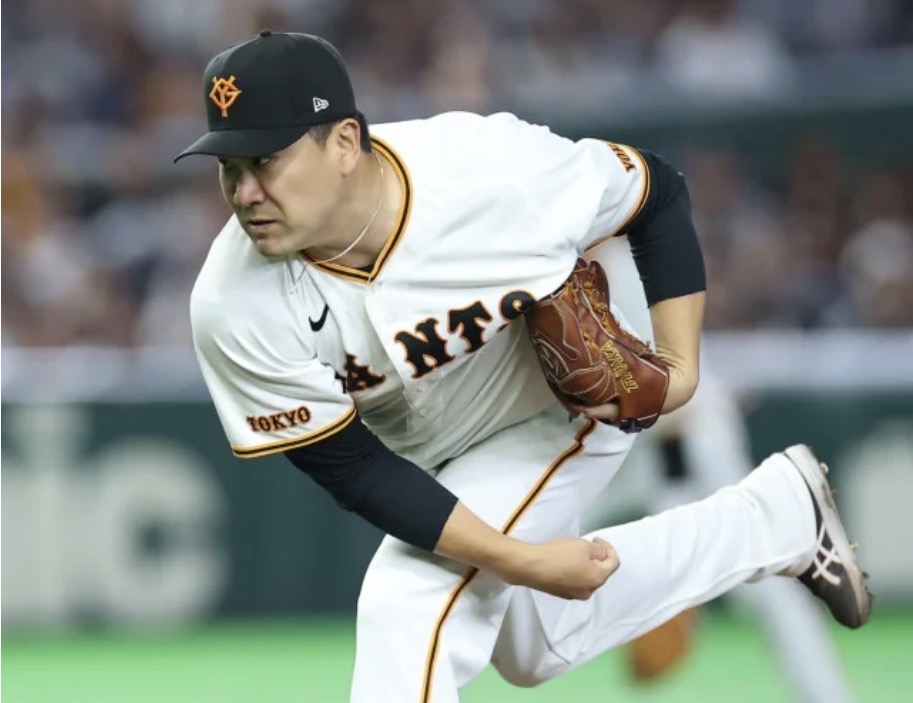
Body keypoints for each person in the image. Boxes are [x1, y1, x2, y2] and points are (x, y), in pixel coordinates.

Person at [175, 30, 871, 703]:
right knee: (536, 644)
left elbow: (656, 191)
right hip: (427, 461)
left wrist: (682, 370)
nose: (244, 192)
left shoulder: (492, 172)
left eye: (265, 160)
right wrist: (525, 561)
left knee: (406, 602)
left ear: (345, 143)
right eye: (229, 167)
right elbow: (357, 472)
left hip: (555, 409)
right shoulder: (231, 303)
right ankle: (774, 517)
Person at [589, 237, 858, 701]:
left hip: (692, 450)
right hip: (643, 453)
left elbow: (670, 386)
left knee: (768, 580)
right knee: (559, 542)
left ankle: (826, 695)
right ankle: (668, 601)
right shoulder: (578, 272)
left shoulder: (626, 271)